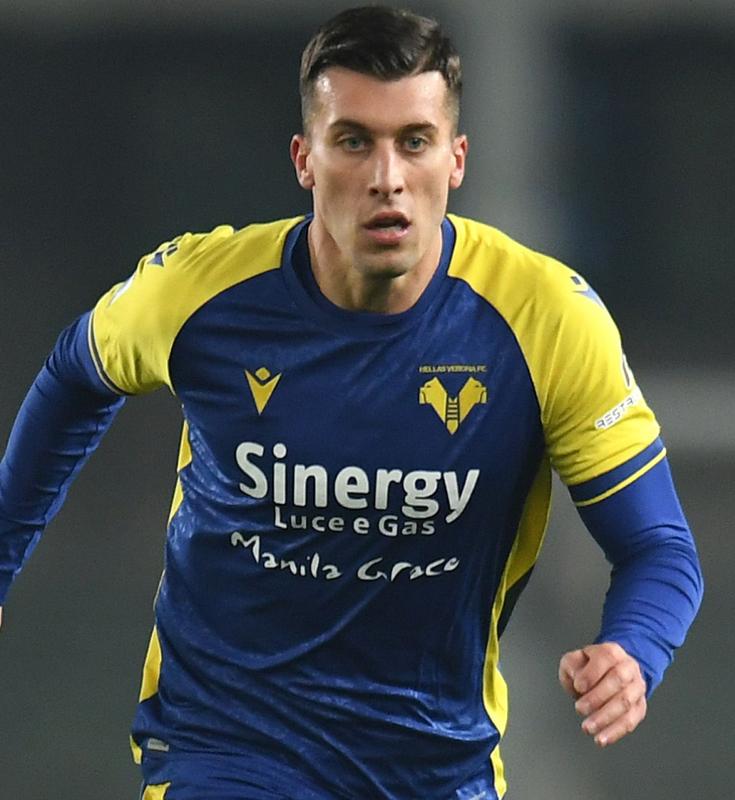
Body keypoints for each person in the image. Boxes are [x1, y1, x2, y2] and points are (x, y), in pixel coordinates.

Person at [0, 6, 703, 800]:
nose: (386, 178)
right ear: (305, 159)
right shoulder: (199, 293)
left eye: (414, 141)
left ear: (456, 160)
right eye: (354, 141)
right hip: (227, 749)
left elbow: (657, 547)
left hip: (435, 767)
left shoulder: (545, 321)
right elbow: (76, 373)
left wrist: (632, 652)